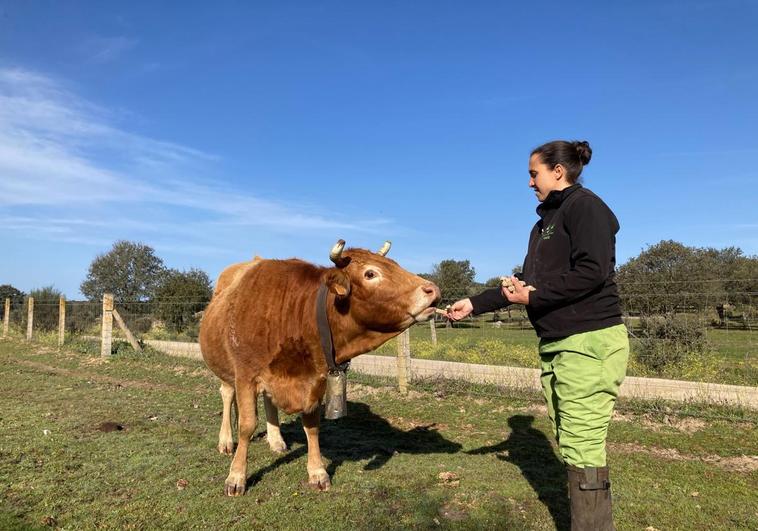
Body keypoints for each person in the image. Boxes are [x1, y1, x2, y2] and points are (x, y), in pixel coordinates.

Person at [448, 140, 628, 531]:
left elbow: (593, 271)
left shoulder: (585, 208)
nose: (530, 182)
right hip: (558, 342)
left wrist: (537, 294)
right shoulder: (543, 224)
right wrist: (474, 303)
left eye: (534, 173)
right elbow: (531, 283)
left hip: (589, 340)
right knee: (570, 438)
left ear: (558, 171)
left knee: (582, 443)